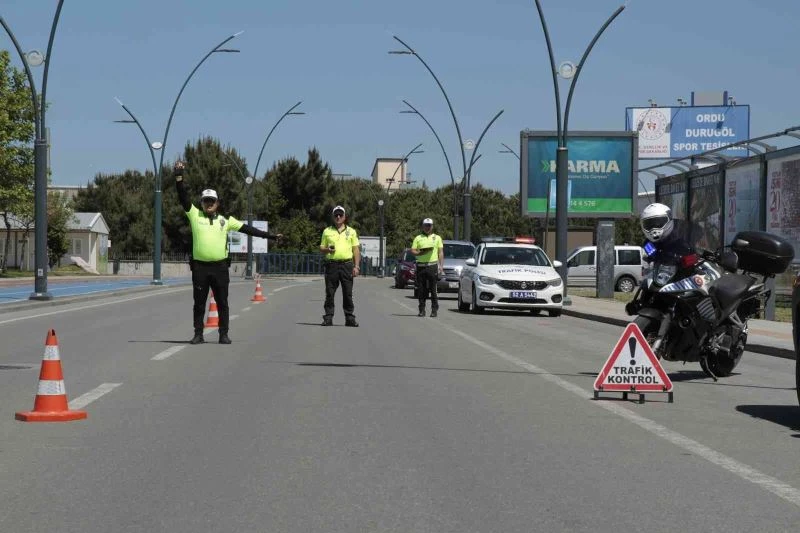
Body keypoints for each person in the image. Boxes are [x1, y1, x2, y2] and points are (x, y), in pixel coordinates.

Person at [174, 160, 283, 345]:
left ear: (217, 203)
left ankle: (223, 334)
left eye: (212, 201)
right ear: (201, 203)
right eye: (206, 201)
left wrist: (271, 236)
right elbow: (182, 196)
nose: (209, 204)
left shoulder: (226, 220)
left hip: (220, 267)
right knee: (199, 303)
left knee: (222, 302)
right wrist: (179, 176)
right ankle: (198, 334)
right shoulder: (194, 215)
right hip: (200, 268)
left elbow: (249, 230)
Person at [319, 205, 361, 327]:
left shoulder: (351, 231)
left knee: (347, 293)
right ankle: (328, 317)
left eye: (340, 215)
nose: (338, 217)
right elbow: (321, 247)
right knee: (330, 292)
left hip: (347, 265)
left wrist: (356, 266)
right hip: (331, 265)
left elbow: (356, 250)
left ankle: (349, 318)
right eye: (336, 215)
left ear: (344, 217)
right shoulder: (327, 231)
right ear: (333, 217)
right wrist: (327, 250)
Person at [410, 217, 444, 317]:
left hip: (432, 266)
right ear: (422, 226)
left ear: (432, 226)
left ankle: (434, 310)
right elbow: (413, 250)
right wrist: (420, 253)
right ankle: (422, 309)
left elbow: (440, 252)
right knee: (421, 289)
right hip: (421, 266)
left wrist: (441, 266)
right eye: (426, 225)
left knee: (433, 289)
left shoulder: (437, 238)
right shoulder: (418, 238)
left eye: (429, 225)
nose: (427, 227)